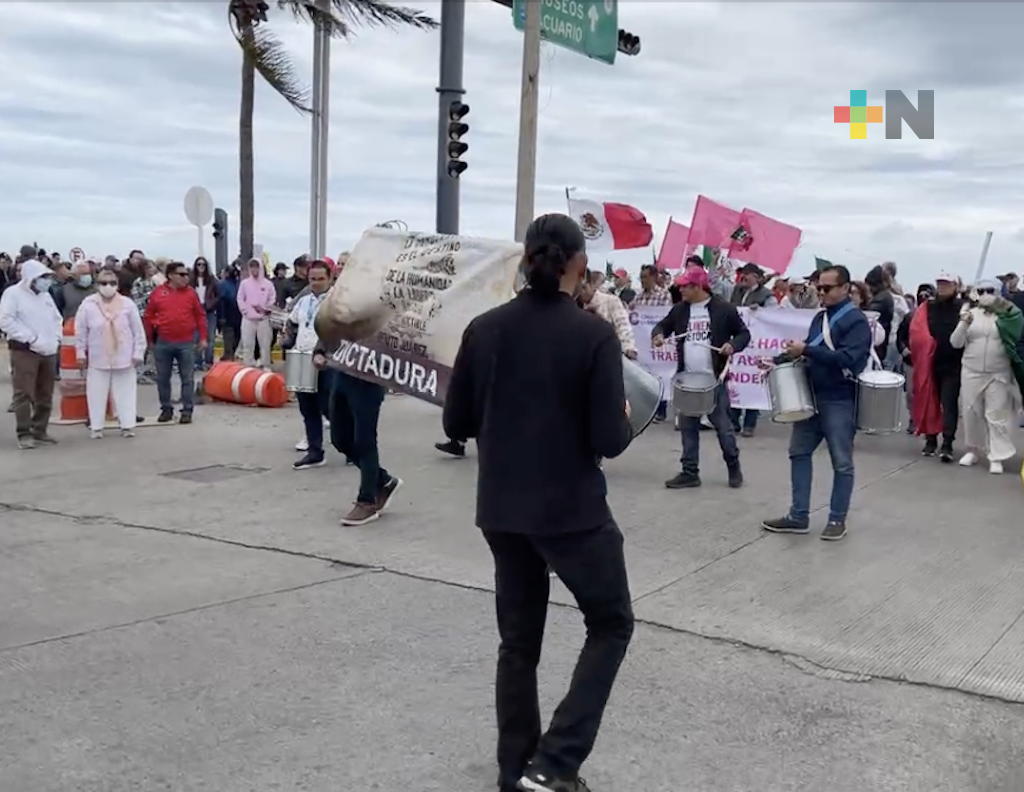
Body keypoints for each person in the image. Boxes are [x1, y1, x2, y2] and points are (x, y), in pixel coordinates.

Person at [443, 213, 634, 792]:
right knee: (611, 623)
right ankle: (554, 763)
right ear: (579, 265)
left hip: (502, 509)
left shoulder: (485, 328)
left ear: (525, 259)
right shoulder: (593, 335)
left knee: (518, 641)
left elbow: (457, 422)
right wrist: (622, 417)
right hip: (570, 511)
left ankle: (514, 769)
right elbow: (610, 440)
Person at [761, 264, 872, 541]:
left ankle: (837, 519)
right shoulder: (819, 318)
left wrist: (807, 349)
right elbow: (810, 353)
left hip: (839, 398)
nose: (820, 292)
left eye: (827, 288)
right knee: (798, 453)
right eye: (818, 287)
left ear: (845, 288)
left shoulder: (856, 321)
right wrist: (778, 361)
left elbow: (849, 360)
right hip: (811, 395)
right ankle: (798, 516)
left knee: (842, 462)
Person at [653, 266, 750, 488]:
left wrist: (732, 345)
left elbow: (744, 333)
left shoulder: (724, 309)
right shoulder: (680, 310)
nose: (681, 290)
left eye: (685, 286)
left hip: (713, 379)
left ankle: (733, 466)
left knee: (723, 427)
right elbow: (663, 326)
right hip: (687, 380)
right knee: (688, 426)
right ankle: (690, 472)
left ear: (698, 286)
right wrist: (658, 335)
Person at [950, 280, 1024, 474]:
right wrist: (963, 324)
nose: (985, 294)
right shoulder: (970, 315)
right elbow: (956, 343)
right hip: (971, 370)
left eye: (989, 291)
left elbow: (1016, 335)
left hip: (998, 372)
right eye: (981, 291)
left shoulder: (1008, 316)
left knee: (997, 414)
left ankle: (996, 455)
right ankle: (972, 450)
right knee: (971, 412)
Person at [74, 267, 147, 438]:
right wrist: (80, 353)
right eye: (104, 283)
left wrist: (138, 352)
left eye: (112, 283)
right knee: (96, 392)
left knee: (126, 392)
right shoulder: (88, 304)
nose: (108, 286)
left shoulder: (127, 304)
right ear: (97, 284)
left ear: (118, 285)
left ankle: (127, 425)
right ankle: (97, 427)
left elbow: (138, 330)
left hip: (124, 355)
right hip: (98, 355)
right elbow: (81, 331)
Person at [897, 274, 963, 461]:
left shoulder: (962, 308)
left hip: (952, 364)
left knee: (948, 403)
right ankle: (931, 439)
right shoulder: (927, 308)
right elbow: (914, 330)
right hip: (929, 363)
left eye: (946, 284)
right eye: (940, 284)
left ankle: (948, 443)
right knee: (928, 401)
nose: (942, 287)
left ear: (955, 287)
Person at [0, 258, 63, 448]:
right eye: (42, 277)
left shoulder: (45, 296)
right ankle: (24, 433)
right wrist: (31, 338)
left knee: (45, 393)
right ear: (31, 277)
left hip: (48, 350)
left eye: (48, 277)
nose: (46, 281)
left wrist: (56, 338)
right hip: (25, 350)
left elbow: (56, 318)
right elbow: (6, 320)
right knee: (23, 393)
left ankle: (40, 430)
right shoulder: (13, 294)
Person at [287, 260, 336, 469]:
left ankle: (351, 445)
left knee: (329, 407)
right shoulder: (304, 300)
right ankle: (315, 451)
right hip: (301, 356)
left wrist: (323, 352)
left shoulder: (336, 301)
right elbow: (292, 321)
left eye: (320, 279)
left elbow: (338, 331)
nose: (316, 283)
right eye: (312, 279)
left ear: (330, 278)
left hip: (325, 359)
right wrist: (287, 335)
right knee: (307, 408)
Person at [144, 261, 207, 424]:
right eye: (182, 274)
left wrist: (203, 338)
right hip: (163, 342)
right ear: (171, 276)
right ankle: (166, 409)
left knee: (187, 378)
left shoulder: (191, 294)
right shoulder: (158, 293)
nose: (186, 277)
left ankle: (187, 410)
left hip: (186, 342)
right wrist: (149, 340)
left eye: (187, 274)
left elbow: (200, 316)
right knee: (163, 378)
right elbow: (149, 317)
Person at [237, 258, 276, 369]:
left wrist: (265, 309)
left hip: (264, 319)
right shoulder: (244, 283)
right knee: (247, 343)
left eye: (256, 266)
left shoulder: (268, 284)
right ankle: (248, 364)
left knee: (265, 344)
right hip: (248, 319)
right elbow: (240, 298)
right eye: (252, 267)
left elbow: (272, 298)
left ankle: (265, 364)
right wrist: (246, 311)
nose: (254, 269)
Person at [190, 257, 220, 370]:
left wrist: (211, 304)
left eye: (203, 264)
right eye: (198, 264)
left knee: (210, 338)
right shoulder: (191, 280)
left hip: (209, 310)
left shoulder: (212, 280)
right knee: (196, 337)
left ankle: (208, 361)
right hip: (195, 310)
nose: (201, 267)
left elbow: (218, 295)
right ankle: (197, 362)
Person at [217, 262, 243, 360]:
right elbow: (221, 301)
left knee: (234, 336)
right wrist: (221, 316)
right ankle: (229, 355)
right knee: (230, 336)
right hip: (229, 314)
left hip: (235, 314)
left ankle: (228, 355)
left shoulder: (238, 284)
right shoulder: (224, 284)